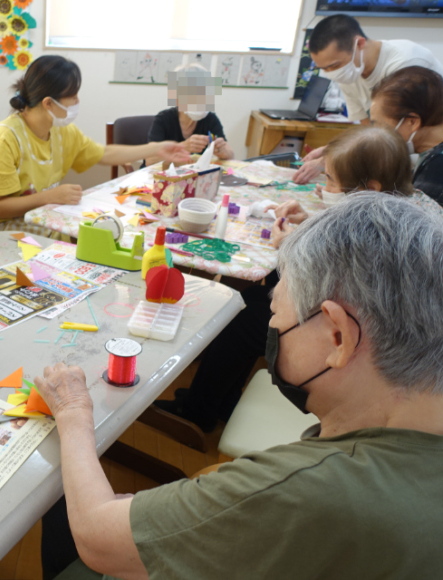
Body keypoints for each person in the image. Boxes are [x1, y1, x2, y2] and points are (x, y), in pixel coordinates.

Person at [38, 193, 443, 580]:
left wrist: (74, 411)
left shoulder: (305, 492)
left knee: (57, 493)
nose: (270, 327)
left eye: (276, 312)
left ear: (337, 337)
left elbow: (95, 534)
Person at [159, 125, 439, 433]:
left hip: (372, 346)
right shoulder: (408, 208)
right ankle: (220, 400)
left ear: (369, 188)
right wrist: (309, 225)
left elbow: (340, 283)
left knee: (243, 315)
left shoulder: (386, 233)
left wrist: (289, 246)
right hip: (387, 336)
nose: (323, 187)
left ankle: (199, 410)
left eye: (330, 179)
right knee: (251, 302)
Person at [0, 55, 190, 236]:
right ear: (48, 103)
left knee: (110, 230)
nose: (77, 103)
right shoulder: (4, 139)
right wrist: (51, 195)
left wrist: (156, 149)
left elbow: (103, 153)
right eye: (73, 97)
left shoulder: (61, 131)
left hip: (40, 217)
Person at [293, 14, 443, 183]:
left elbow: (382, 141)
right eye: (325, 69)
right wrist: (331, 150)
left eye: (334, 66)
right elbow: (369, 132)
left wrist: (328, 160)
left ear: (360, 44)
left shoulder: (406, 64)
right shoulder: (349, 72)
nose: (332, 73)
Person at [370, 66, 443, 205]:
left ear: (412, 122)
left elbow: (413, 223)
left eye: (379, 124)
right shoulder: (430, 156)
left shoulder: (436, 169)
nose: (376, 132)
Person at [145, 65, 234, 165]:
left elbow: (230, 155)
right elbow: (150, 160)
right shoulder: (163, 119)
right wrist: (182, 147)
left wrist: (222, 151)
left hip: (190, 176)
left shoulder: (210, 119)